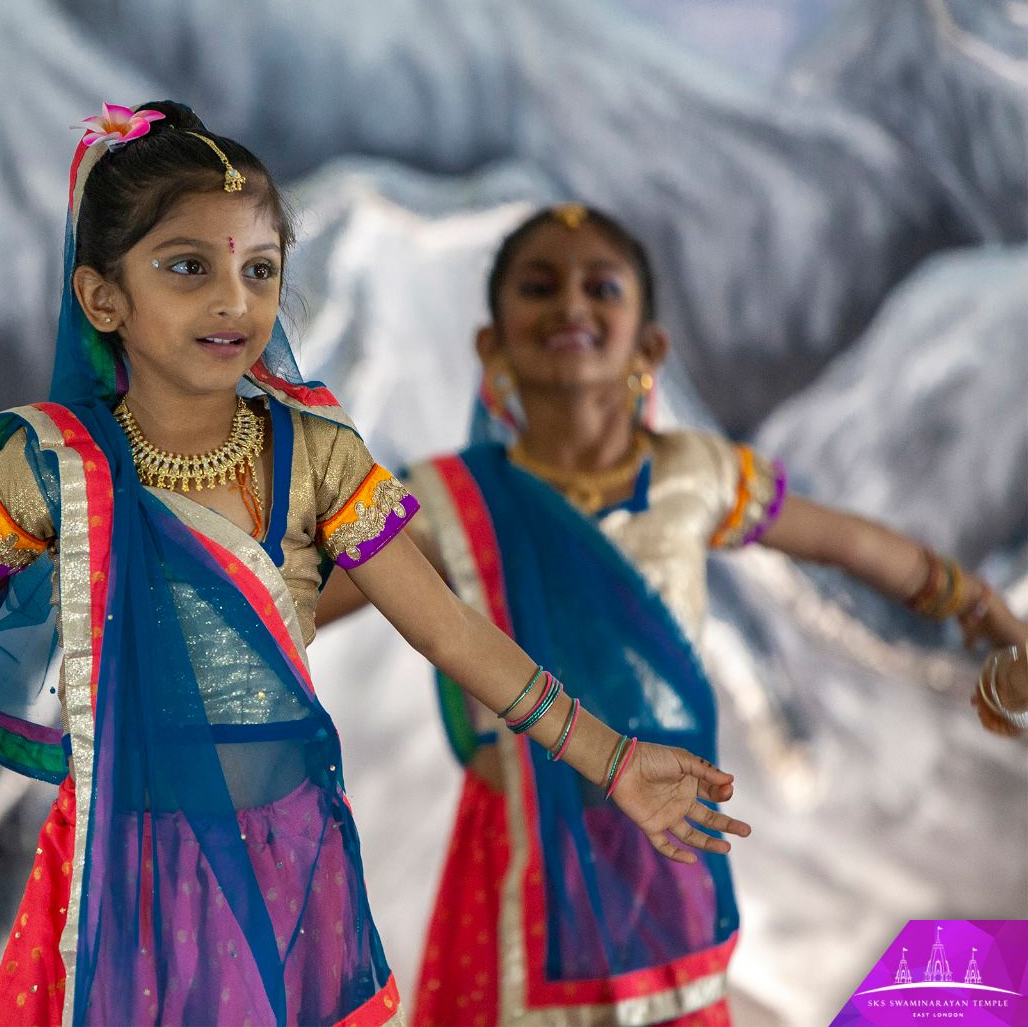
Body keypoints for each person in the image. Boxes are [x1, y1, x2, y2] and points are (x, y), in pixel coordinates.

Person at [0, 107, 747, 1027]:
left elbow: (451, 632)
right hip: (123, 873)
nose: (233, 299)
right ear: (100, 296)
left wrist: (615, 759)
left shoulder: (318, 454)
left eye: (259, 268)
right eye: (187, 266)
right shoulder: (53, 465)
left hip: (291, 867)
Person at [318, 203, 1028, 1025]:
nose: (571, 305)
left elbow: (846, 542)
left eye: (602, 288)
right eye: (540, 287)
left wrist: (978, 608)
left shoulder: (696, 475)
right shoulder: (451, 500)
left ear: (650, 348)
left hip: (664, 850)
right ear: (491, 345)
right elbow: (306, 605)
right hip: (517, 860)